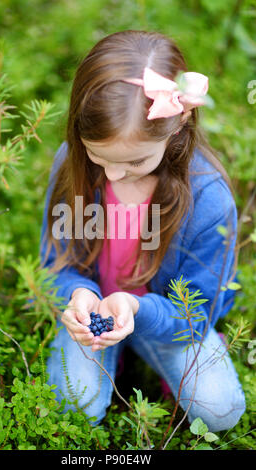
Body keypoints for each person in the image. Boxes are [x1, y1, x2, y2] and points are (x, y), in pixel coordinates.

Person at [39, 30, 246, 432]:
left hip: (165, 318)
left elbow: (195, 311)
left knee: (220, 410)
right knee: (72, 410)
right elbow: (55, 262)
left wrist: (137, 309)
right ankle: (114, 357)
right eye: (97, 155)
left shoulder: (208, 198)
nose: (113, 173)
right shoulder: (72, 164)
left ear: (178, 124)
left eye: (134, 162)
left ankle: (148, 353)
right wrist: (77, 294)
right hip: (94, 315)